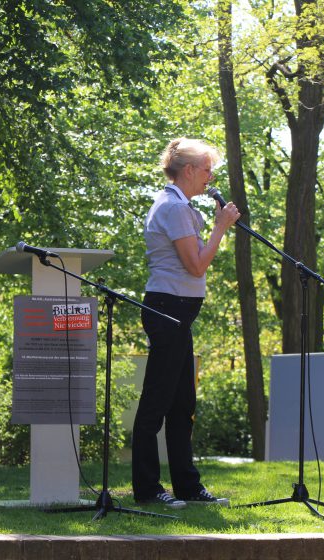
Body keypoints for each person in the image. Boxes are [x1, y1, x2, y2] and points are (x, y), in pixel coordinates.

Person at [132, 138, 240, 509]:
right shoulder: (174, 208)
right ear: (189, 170)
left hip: (179, 312)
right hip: (168, 310)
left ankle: (187, 487)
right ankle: (147, 488)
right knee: (157, 402)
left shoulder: (182, 206)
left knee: (182, 404)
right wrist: (221, 227)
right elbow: (196, 265)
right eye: (207, 169)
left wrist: (216, 226)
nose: (211, 177)